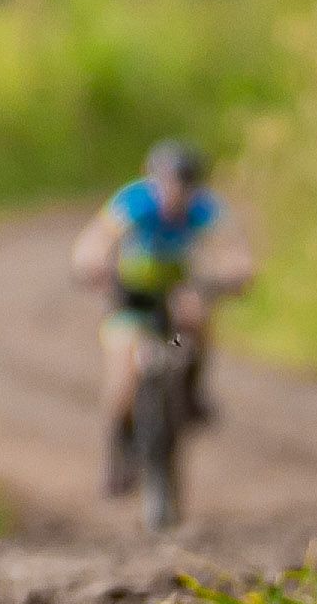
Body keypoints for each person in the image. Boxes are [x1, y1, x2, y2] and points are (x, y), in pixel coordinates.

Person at [70, 138, 254, 492]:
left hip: (174, 305)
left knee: (193, 325)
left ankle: (191, 390)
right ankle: (118, 449)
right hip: (132, 302)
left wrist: (236, 273)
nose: (174, 194)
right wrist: (90, 263)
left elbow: (232, 248)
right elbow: (96, 239)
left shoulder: (204, 208)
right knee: (124, 374)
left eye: (183, 185)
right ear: (153, 180)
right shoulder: (135, 202)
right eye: (167, 183)